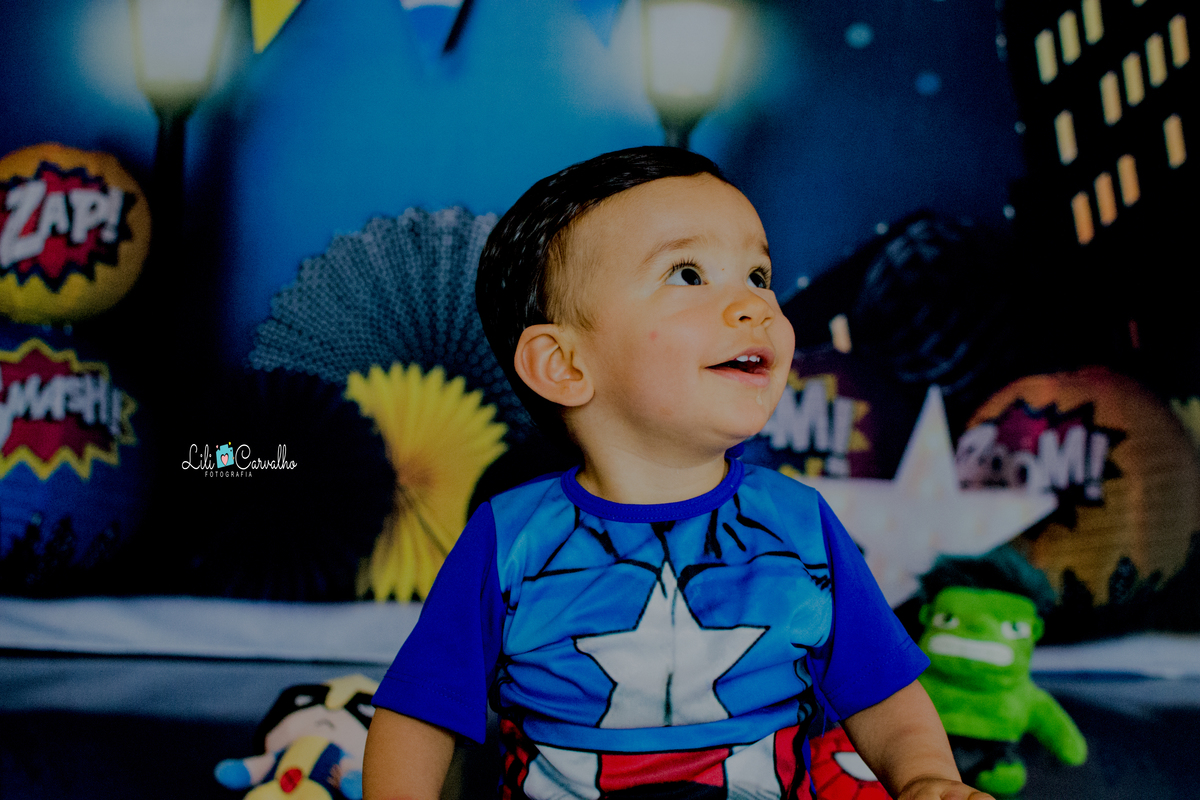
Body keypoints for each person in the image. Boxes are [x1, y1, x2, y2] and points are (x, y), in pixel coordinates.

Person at [363, 147, 992, 800]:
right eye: (688, 274)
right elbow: (420, 711)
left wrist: (927, 778)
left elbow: (882, 691)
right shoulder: (509, 539)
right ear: (564, 365)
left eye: (758, 274)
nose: (754, 306)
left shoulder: (800, 523)